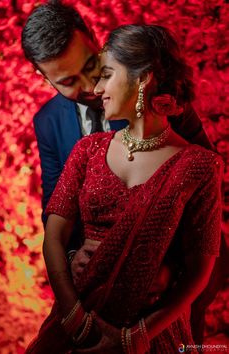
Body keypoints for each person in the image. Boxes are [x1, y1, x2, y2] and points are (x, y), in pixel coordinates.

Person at [26, 24, 224, 354]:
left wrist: (135, 333)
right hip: (81, 312)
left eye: (101, 72)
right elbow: (55, 230)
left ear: (143, 78)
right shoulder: (85, 148)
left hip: (155, 317)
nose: (94, 86)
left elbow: (198, 259)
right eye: (67, 80)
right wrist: (76, 317)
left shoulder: (196, 160)